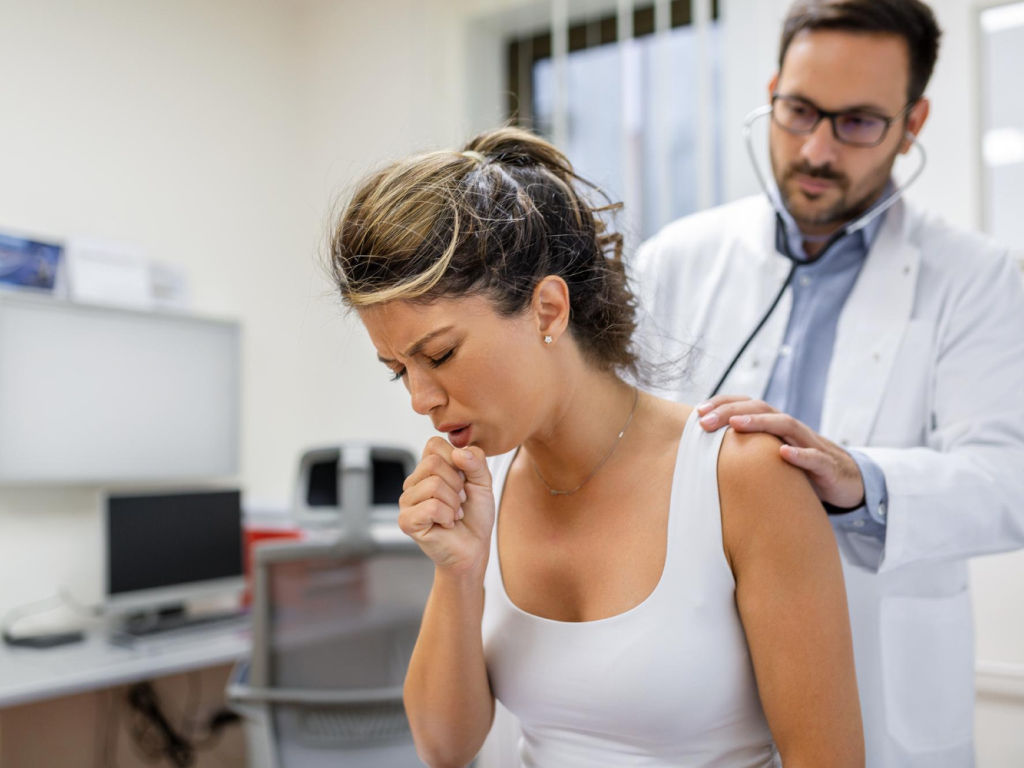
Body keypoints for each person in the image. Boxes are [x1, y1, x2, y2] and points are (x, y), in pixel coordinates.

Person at [327, 126, 863, 767]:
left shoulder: (740, 476)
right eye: (398, 369)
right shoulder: (482, 494)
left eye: (439, 354)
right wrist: (458, 571)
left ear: (549, 310)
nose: (420, 398)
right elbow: (444, 747)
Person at [630, 1, 1024, 766]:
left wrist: (863, 478)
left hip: (878, 685)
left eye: (858, 123)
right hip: (693, 680)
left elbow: (1011, 478)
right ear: (773, 88)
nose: (815, 148)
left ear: (914, 124)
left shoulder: (978, 279)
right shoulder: (678, 257)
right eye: (799, 110)